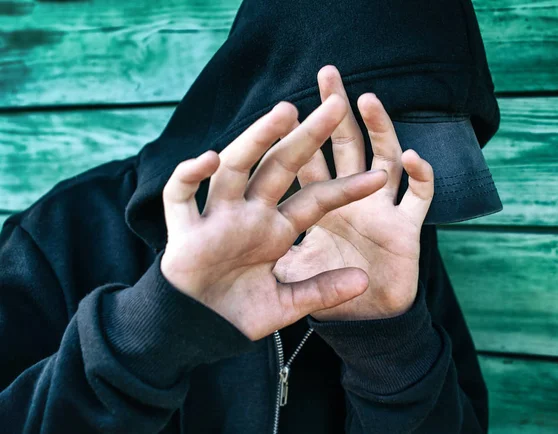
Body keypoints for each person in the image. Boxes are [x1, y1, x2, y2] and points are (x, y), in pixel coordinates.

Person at [0, 0, 503, 433]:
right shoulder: (58, 236)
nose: (370, 186)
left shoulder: (394, 244)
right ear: (262, 106)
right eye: (346, 149)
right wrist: (148, 335)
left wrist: (390, 349)